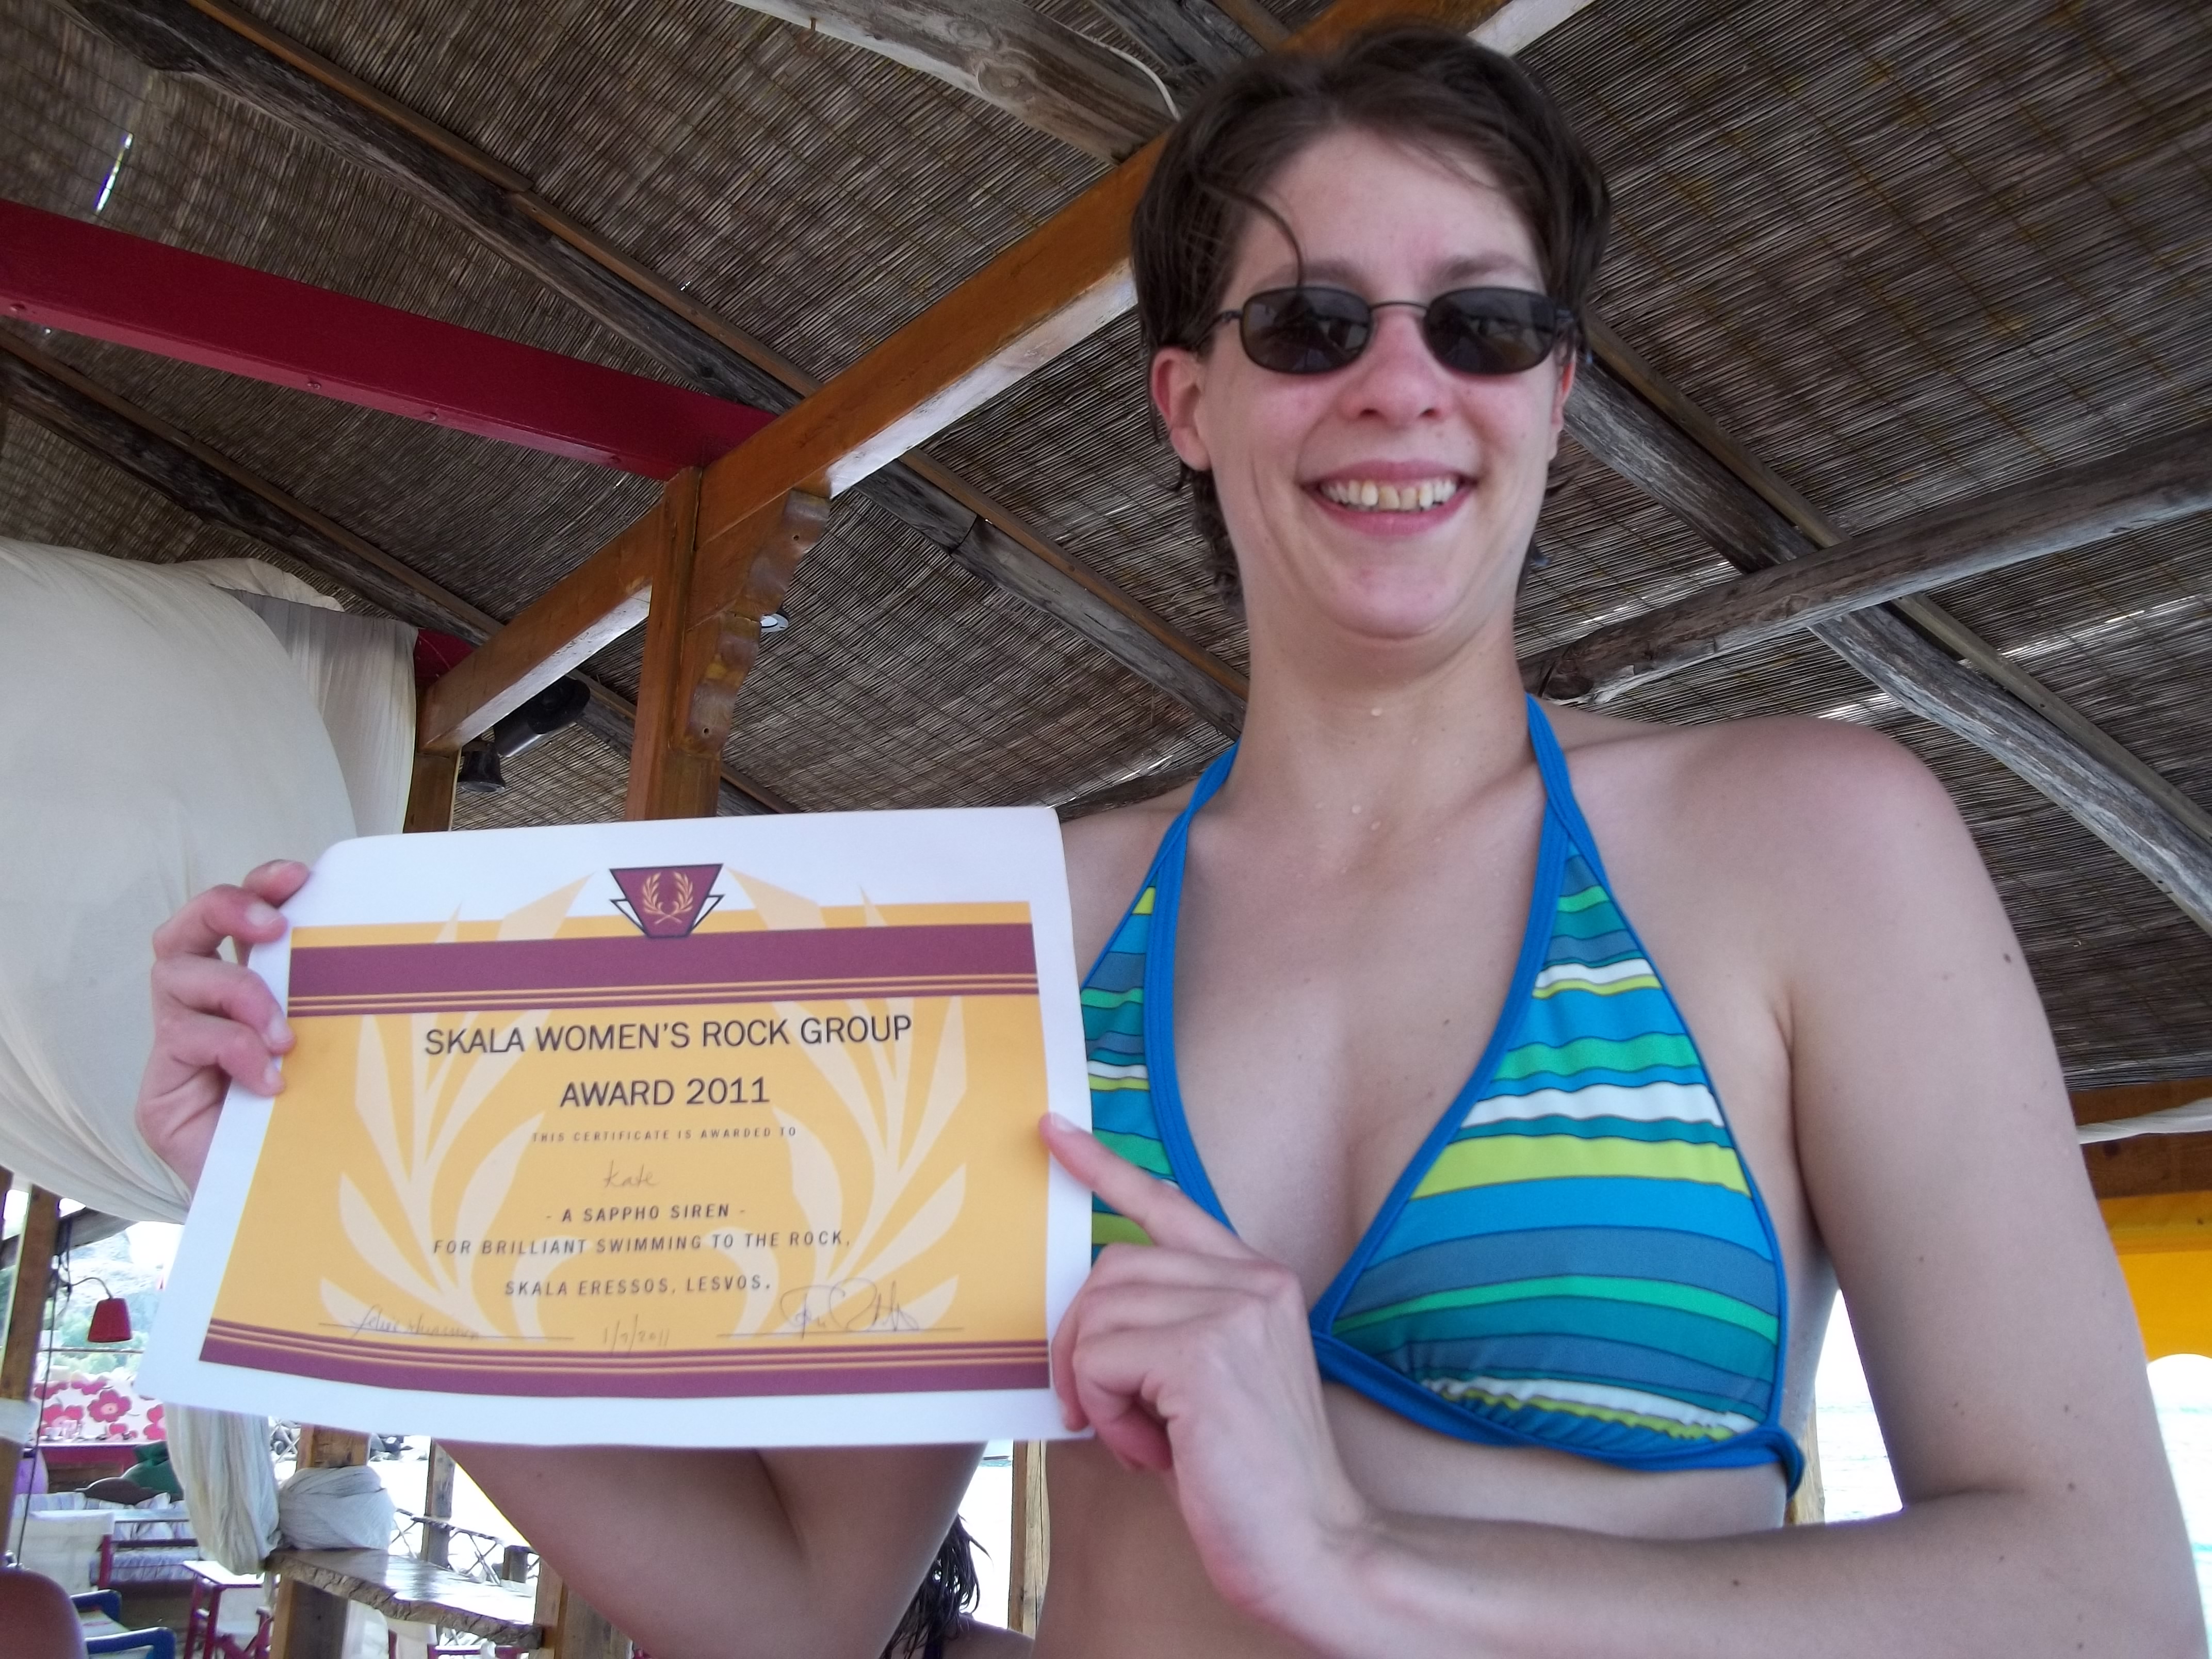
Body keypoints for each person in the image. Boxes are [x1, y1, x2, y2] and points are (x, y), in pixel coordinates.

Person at [136, 25, 2204, 1658]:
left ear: (1555, 398)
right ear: (1187, 404)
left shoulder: (1810, 842)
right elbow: (793, 1605)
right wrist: (310, 1216)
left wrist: (1364, 1567)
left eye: (1482, 325)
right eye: (1309, 327)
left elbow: (2099, 1595)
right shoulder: (1029, 919)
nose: (1402, 386)